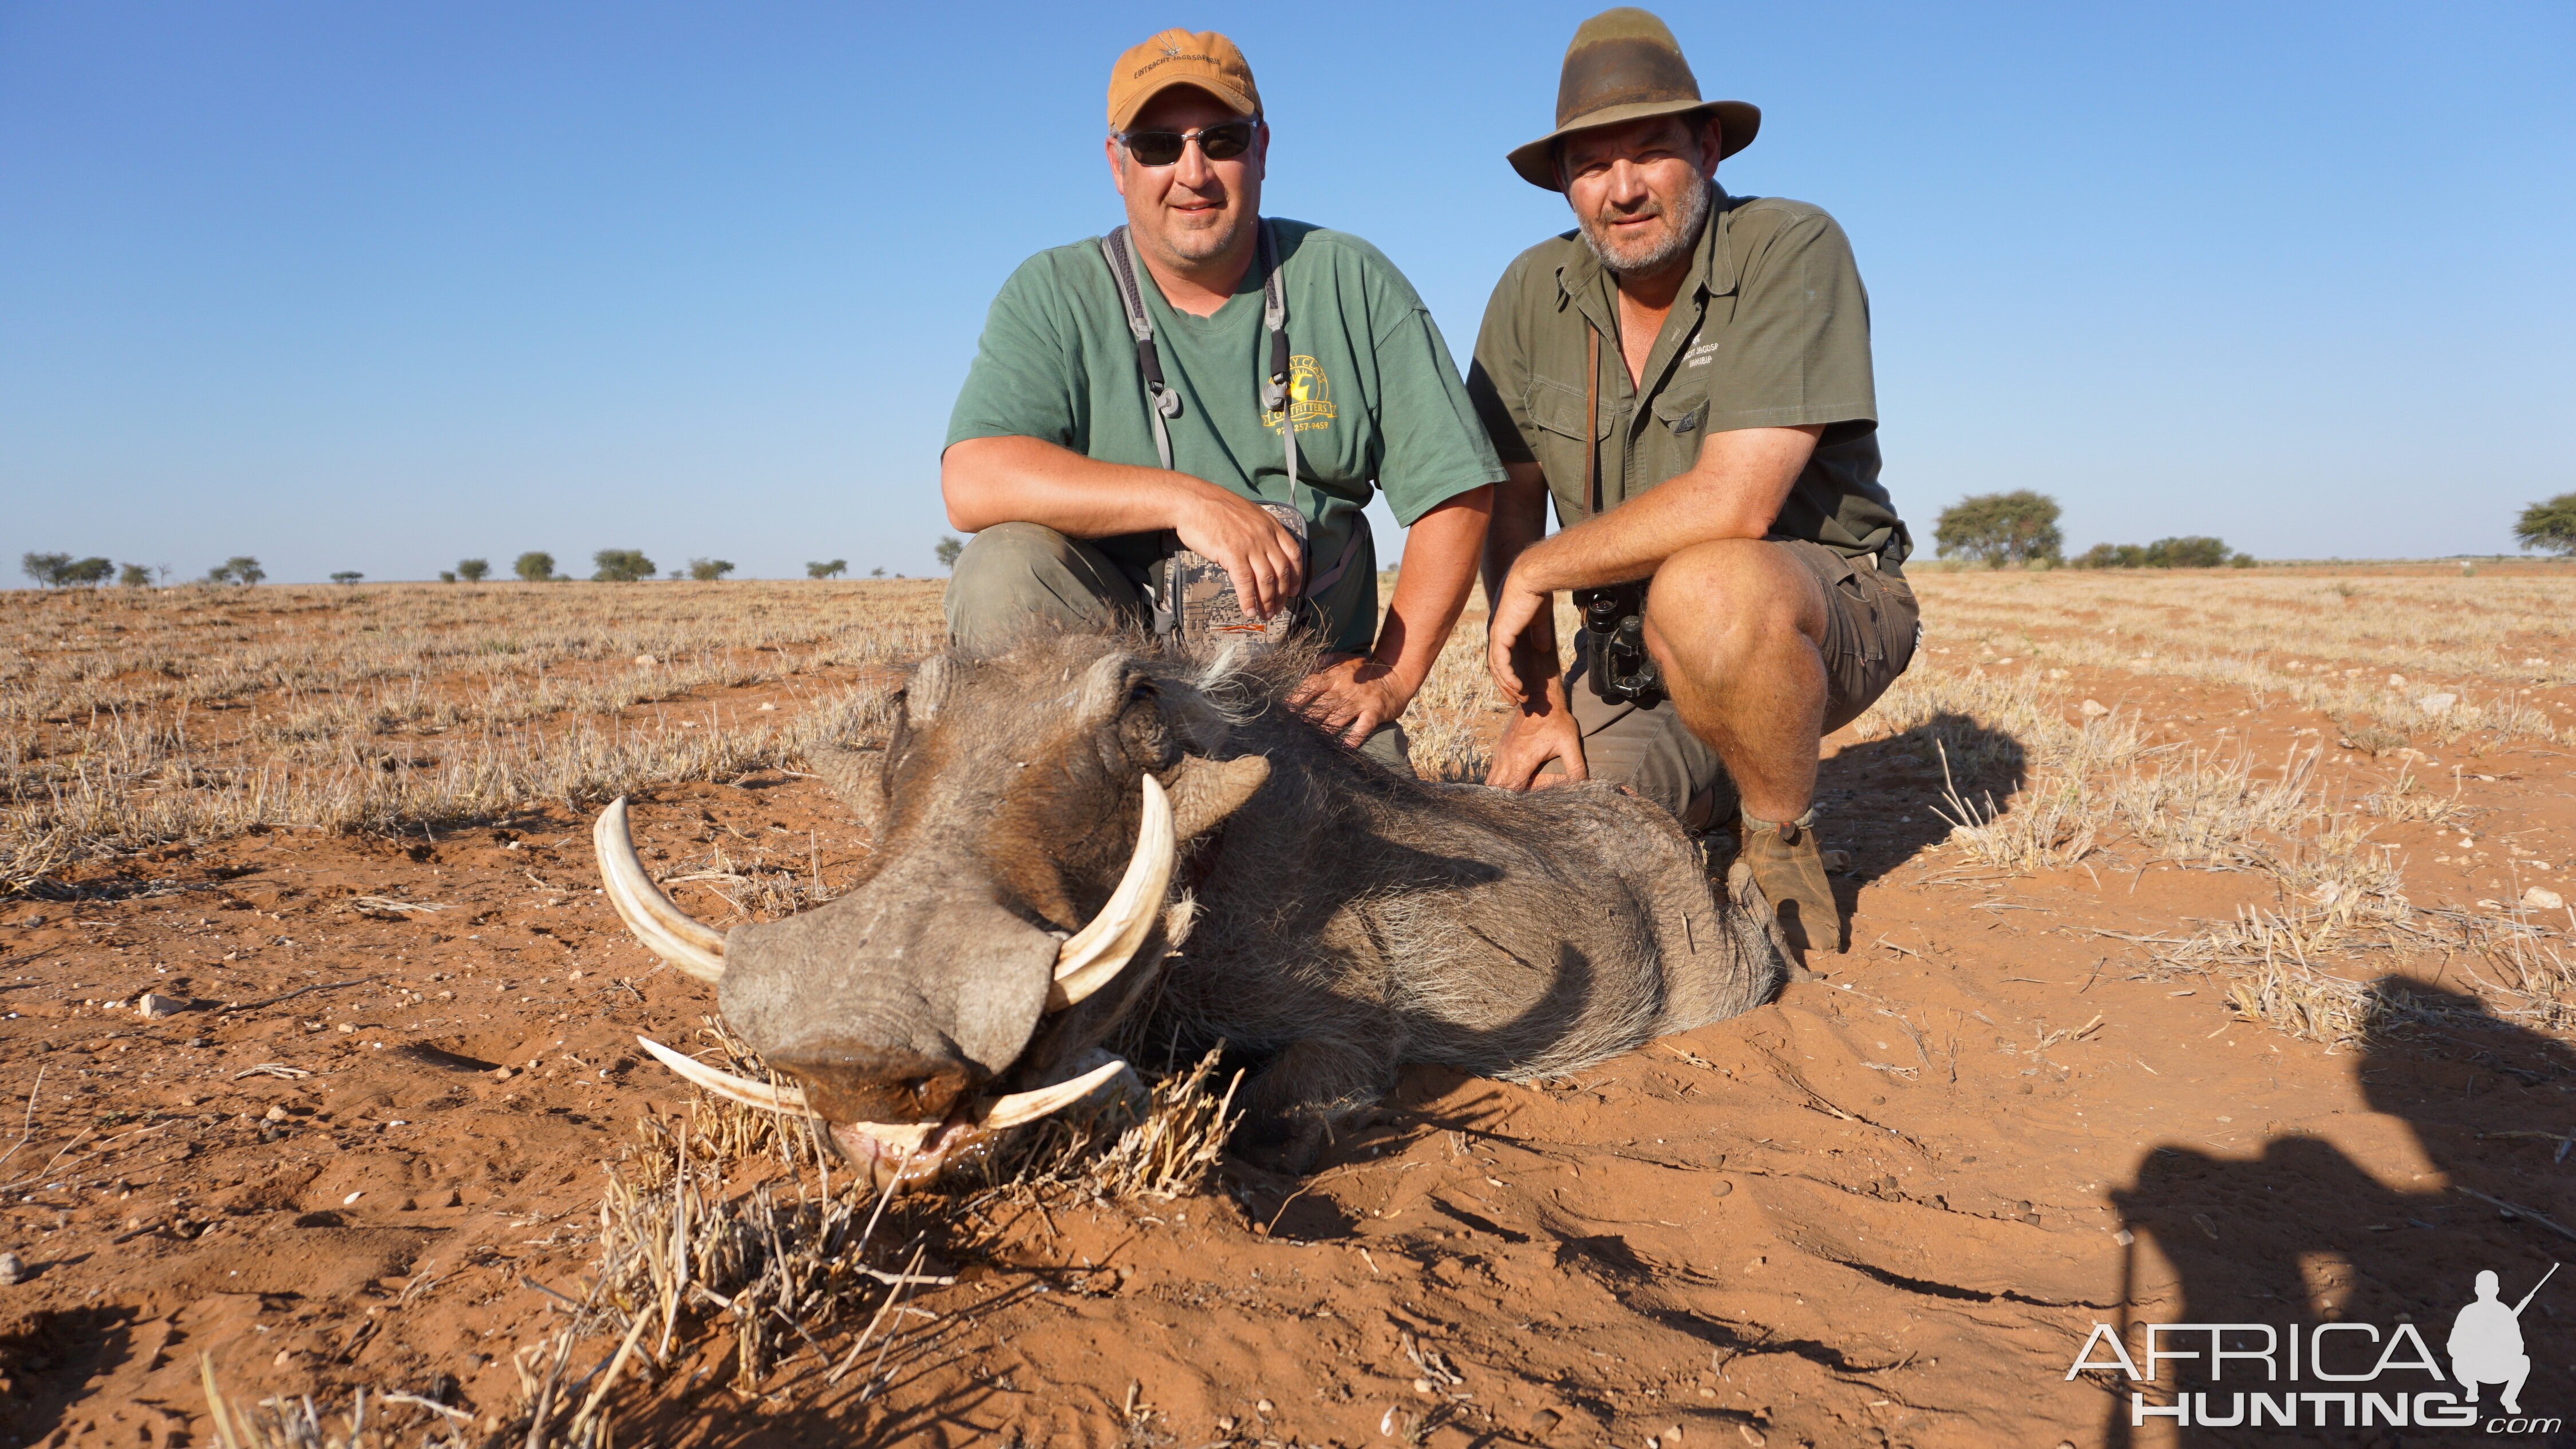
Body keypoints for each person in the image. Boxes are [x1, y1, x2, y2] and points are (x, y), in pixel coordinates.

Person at [1466, 7, 1917, 952]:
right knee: (1554, 823)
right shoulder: (1525, 293)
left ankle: (1777, 833)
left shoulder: (1792, 246)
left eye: (1652, 152)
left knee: (1709, 587)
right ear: (1561, 181)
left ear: (1709, 148)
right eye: (1590, 163)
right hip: (1629, 646)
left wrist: (1543, 571)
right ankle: (1711, 772)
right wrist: (1543, 702)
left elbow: (1737, 503)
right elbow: (1506, 506)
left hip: (1806, 606)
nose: (1622, 188)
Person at [941, 29, 1501, 770]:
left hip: (1305, 689)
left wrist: (1391, 677)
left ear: (1262, 149)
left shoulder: (1351, 279)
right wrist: (1186, 501)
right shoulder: (1053, 292)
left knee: (1384, 876)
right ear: (1117, 163)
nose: (1193, 171)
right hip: (1117, 687)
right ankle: (1063, 794)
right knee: (1001, 566)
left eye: (1222, 139)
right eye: (1157, 146)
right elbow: (974, 478)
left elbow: (1455, 493)